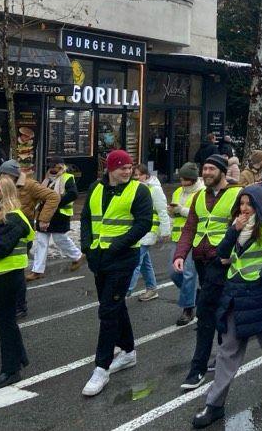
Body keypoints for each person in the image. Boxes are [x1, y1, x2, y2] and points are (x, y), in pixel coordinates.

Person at [191, 184, 262, 428]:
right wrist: (232, 231)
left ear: (259, 204)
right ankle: (214, 405)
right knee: (228, 350)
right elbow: (222, 254)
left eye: (249, 204)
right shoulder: (236, 226)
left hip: (260, 295)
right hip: (235, 295)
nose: (244, 208)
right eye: (242, 203)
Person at [80, 150, 153, 396]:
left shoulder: (139, 191)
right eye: (122, 167)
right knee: (114, 304)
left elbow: (143, 224)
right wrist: (87, 247)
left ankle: (101, 367)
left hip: (122, 258)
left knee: (108, 311)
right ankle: (129, 352)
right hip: (99, 259)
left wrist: (116, 245)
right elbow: (87, 218)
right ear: (110, 168)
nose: (127, 171)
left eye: (130, 167)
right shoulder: (95, 188)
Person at [174, 155, 242, 391]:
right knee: (219, 310)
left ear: (223, 172)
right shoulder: (199, 197)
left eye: (212, 168)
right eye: (204, 168)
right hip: (200, 260)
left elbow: (247, 226)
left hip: (222, 261)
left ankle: (197, 368)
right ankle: (223, 352)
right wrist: (180, 255)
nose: (207, 172)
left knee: (205, 311)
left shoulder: (237, 195)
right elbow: (190, 226)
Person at [0, 175, 35, 389]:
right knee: (6, 324)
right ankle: (17, 359)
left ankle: (11, 370)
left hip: (6, 279)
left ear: (0, 193)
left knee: (5, 324)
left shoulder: (12, 218)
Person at [0, 160, 59, 317]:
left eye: (5, 174)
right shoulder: (1, 186)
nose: (2, 177)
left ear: (14, 175)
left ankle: (20, 306)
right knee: (1, 272)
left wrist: (44, 219)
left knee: (16, 272)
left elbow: (53, 196)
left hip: (22, 233)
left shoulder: (30, 185)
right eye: (1, 174)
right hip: (3, 232)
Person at [28, 157, 83, 281]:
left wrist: (56, 202)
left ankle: (77, 256)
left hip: (60, 213)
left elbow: (73, 194)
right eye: (50, 166)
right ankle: (37, 270)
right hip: (46, 213)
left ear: (60, 166)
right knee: (41, 240)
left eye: (54, 166)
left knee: (59, 238)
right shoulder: (47, 178)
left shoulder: (67, 177)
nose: (52, 168)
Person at [128, 164, 171, 301]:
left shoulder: (155, 189)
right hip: (139, 229)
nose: (136, 177)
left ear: (146, 175)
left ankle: (125, 291)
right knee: (144, 262)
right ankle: (152, 289)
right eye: (134, 175)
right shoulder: (135, 188)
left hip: (149, 230)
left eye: (138, 175)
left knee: (135, 261)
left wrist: (165, 231)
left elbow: (162, 211)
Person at [169, 162, 204, 326]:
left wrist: (180, 210)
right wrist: (172, 211)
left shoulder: (202, 193)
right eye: (181, 179)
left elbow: (198, 215)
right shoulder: (177, 191)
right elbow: (174, 214)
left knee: (189, 273)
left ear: (193, 179)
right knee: (174, 274)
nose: (182, 183)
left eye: (185, 180)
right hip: (177, 237)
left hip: (193, 237)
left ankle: (188, 308)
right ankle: (193, 294)